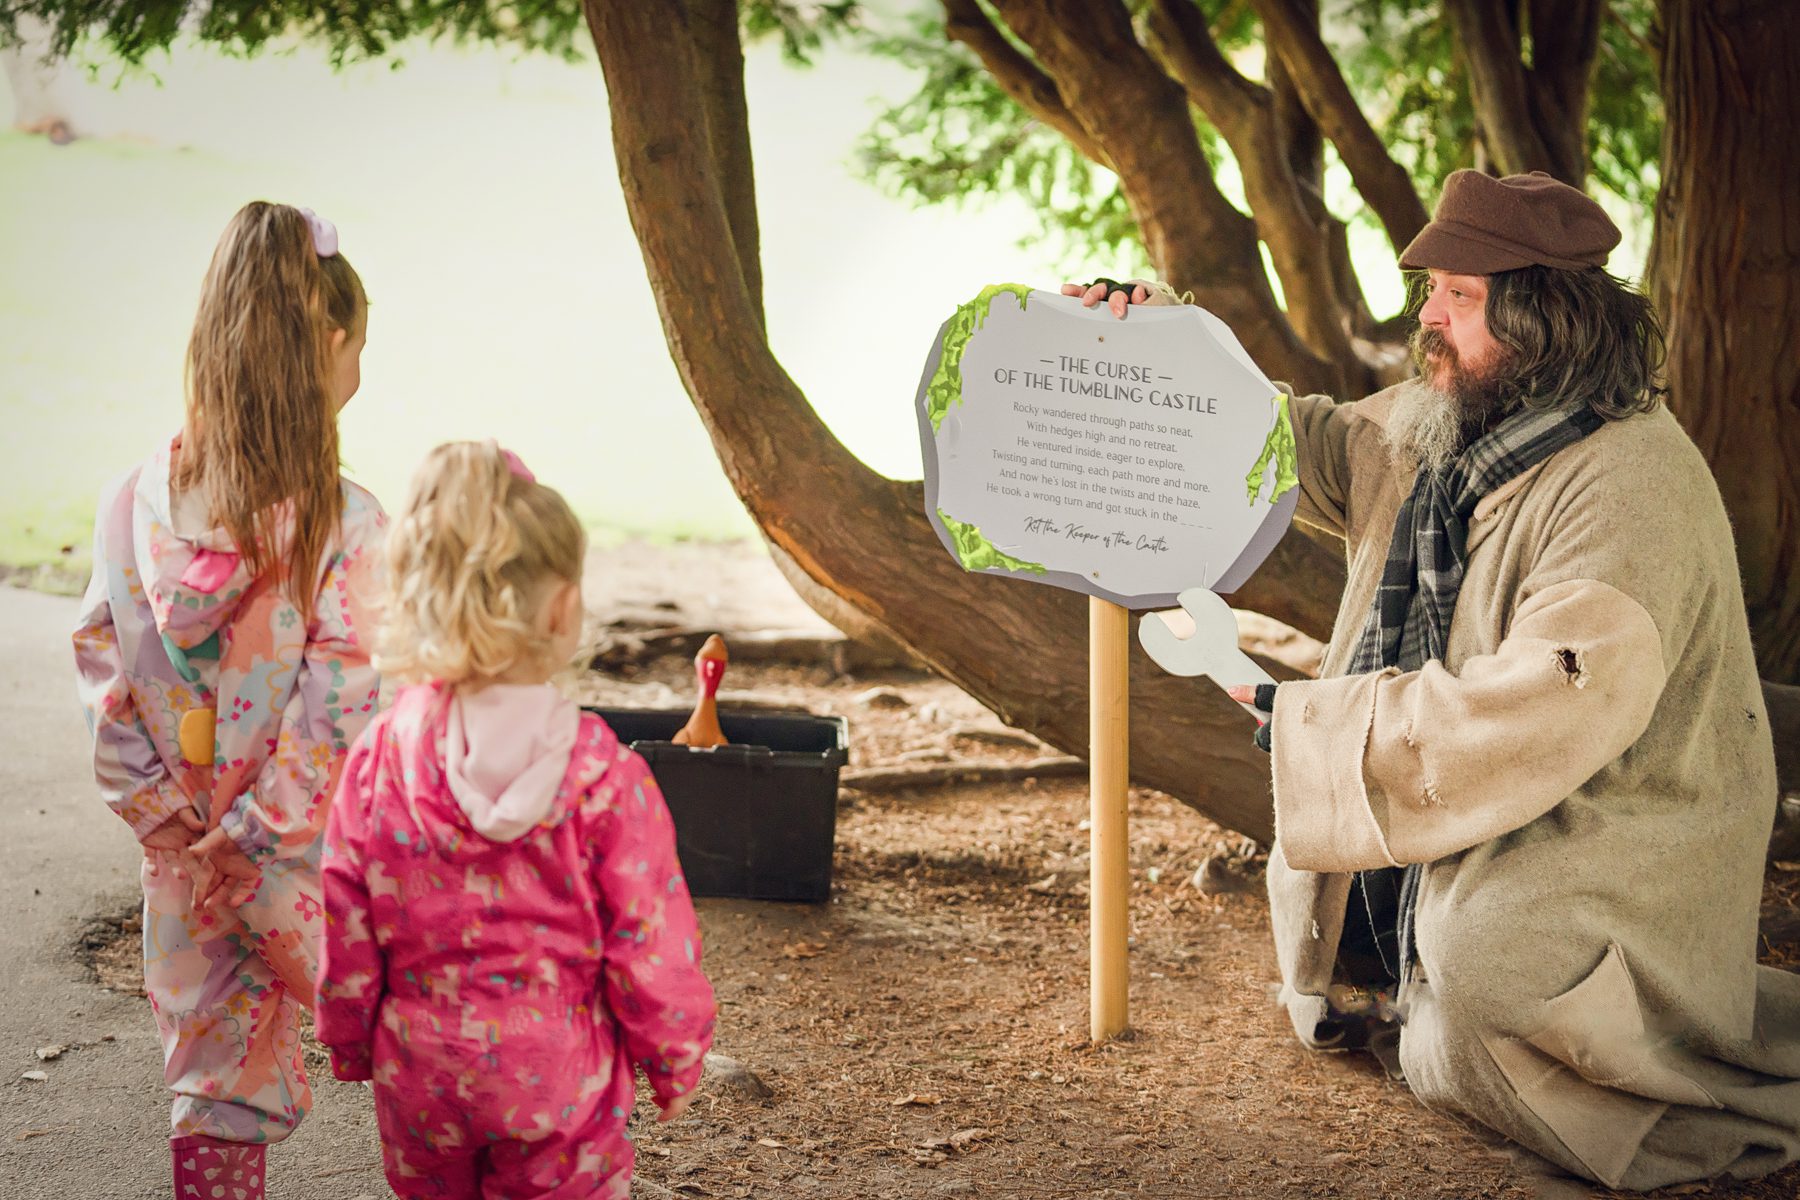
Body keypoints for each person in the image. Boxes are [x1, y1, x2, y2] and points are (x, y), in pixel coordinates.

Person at [1072, 170, 1799, 1190]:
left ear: (1546, 318)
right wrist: (1155, 337)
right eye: (1431, 291)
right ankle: (1412, 991)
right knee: (1446, 976)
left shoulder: (1634, 480)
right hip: (1494, 789)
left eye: (1460, 295)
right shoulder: (1434, 427)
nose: (1428, 317)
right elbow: (1275, 438)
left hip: (1613, 816)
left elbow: (1545, 704)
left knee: (1492, 965)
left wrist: (1320, 722)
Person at [72, 201, 384, 1198]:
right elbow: (338, 706)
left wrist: (168, 821)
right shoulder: (345, 525)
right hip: (299, 868)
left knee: (212, 1080)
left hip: (185, 870)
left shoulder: (129, 506)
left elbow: (102, 673)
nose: (361, 369)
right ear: (327, 343)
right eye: (359, 347)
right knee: (411, 1034)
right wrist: (251, 834)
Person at [315, 442, 716, 1200]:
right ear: (562, 609)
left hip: (420, 1074)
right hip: (556, 1079)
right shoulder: (602, 775)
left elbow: (346, 910)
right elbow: (648, 935)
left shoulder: (380, 758)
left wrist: (349, 1034)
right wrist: (674, 1055)